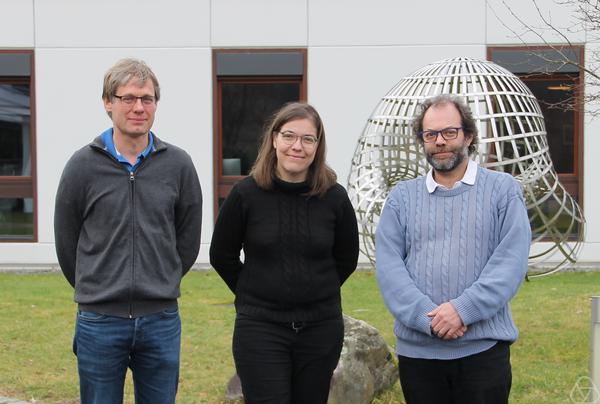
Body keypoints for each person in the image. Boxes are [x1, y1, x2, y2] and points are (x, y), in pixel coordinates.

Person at [54, 58, 203, 404]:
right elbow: (67, 242)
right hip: (100, 320)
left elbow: (187, 240)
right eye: (129, 98)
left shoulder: (178, 165)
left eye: (147, 99)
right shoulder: (81, 166)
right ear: (108, 103)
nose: (139, 107)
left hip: (160, 320)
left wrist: (160, 280)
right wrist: (98, 285)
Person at [375, 94, 531, 404]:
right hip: (418, 357)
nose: (440, 141)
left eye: (449, 132)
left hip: (482, 354)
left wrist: (462, 310)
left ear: (468, 135)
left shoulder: (503, 191)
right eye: (430, 134)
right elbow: (389, 268)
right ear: (422, 140)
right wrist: (427, 318)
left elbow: (510, 263)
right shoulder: (401, 198)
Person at [210, 102, 359, 404]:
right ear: (274, 139)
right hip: (260, 330)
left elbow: (346, 259)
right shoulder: (245, 195)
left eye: (308, 139)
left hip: (320, 331)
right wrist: (254, 292)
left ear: (318, 146)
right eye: (289, 136)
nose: (297, 146)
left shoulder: (335, 198)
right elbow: (221, 255)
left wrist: (314, 291)